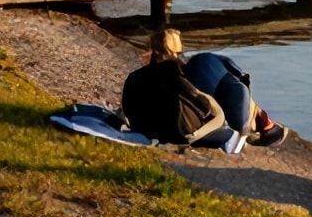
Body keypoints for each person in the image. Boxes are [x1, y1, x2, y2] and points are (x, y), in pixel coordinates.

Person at [123, 28, 288, 147]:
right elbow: (198, 100)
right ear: (179, 48)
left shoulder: (135, 77)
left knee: (224, 86)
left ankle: (261, 123)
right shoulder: (177, 74)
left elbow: (128, 108)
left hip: (146, 129)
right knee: (225, 115)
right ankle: (261, 125)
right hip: (183, 132)